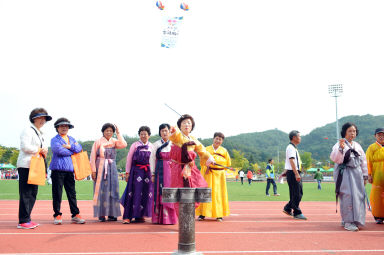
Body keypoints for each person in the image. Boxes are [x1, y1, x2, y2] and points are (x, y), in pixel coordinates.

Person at [16, 108, 52, 229]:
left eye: (44, 119)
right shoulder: (28, 130)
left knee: (33, 193)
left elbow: (42, 148)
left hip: (36, 165)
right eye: (40, 117)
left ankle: (27, 218)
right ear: (33, 118)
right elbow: (24, 146)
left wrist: (44, 151)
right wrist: (39, 149)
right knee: (26, 192)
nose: (43, 120)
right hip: (26, 165)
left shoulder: (40, 133)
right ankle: (23, 220)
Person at [330, 122, 368, 231]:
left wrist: (365, 176)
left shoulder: (358, 146)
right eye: (350, 131)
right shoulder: (339, 144)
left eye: (354, 131)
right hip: (344, 173)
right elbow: (335, 158)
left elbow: (363, 162)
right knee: (347, 195)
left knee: (358, 196)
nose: (352, 133)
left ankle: (356, 220)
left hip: (357, 174)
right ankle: (348, 221)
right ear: (344, 133)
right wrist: (341, 149)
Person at [49, 118, 85, 225]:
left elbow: (79, 148)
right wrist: (73, 151)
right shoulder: (54, 139)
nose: (64, 127)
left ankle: (75, 214)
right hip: (57, 170)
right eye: (61, 126)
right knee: (57, 193)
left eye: (66, 126)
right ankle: (57, 214)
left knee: (72, 193)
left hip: (70, 170)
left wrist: (70, 147)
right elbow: (58, 150)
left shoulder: (72, 139)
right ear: (57, 128)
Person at [90, 123, 127, 222]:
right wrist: (93, 171)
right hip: (100, 167)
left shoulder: (114, 141)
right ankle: (101, 214)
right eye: (107, 130)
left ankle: (112, 214)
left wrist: (118, 133)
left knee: (113, 190)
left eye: (111, 131)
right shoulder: (97, 142)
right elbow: (92, 156)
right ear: (103, 131)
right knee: (101, 190)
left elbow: (124, 144)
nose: (109, 132)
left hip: (112, 167)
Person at [169, 114, 214, 189]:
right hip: (178, 169)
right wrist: (173, 130)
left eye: (189, 123)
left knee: (196, 186)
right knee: (179, 188)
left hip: (191, 168)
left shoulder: (193, 139)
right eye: (184, 123)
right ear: (180, 126)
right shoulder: (179, 136)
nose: (186, 125)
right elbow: (174, 135)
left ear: (191, 127)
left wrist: (210, 157)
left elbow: (202, 150)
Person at [121, 126, 154, 224]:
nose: (143, 136)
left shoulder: (152, 146)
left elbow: (154, 161)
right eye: (141, 134)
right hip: (136, 172)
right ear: (139, 135)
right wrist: (127, 172)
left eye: (145, 134)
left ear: (149, 135)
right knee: (133, 193)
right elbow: (129, 159)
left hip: (148, 173)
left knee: (146, 193)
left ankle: (140, 215)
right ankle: (128, 216)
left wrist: (153, 174)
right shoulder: (134, 145)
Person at [196, 132, 231, 222]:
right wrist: (208, 162)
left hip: (219, 176)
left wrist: (218, 161)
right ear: (213, 139)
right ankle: (202, 213)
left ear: (222, 141)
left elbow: (227, 163)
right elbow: (202, 161)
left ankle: (219, 214)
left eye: (220, 139)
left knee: (218, 194)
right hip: (207, 174)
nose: (218, 141)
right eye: (216, 138)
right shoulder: (206, 149)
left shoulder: (224, 151)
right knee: (205, 192)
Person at [150, 123, 177, 225]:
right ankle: (158, 218)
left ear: (170, 132)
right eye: (162, 131)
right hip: (159, 170)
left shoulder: (174, 144)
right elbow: (152, 159)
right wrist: (152, 173)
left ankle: (170, 218)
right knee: (159, 192)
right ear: (160, 132)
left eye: (166, 130)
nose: (164, 133)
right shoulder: (155, 145)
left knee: (171, 192)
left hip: (171, 171)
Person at [282, 130, 307, 220]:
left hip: (292, 172)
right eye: (299, 136)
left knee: (296, 193)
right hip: (293, 173)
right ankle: (296, 212)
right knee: (297, 193)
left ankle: (288, 208)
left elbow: (290, 161)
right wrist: (296, 174)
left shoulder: (293, 147)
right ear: (294, 137)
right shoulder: (291, 148)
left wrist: (285, 171)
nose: (300, 138)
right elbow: (291, 160)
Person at [365, 128, 384, 224]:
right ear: (375, 136)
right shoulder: (371, 147)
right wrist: (369, 174)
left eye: (383, 135)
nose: (381, 136)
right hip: (377, 175)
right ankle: (378, 216)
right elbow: (368, 162)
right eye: (379, 135)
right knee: (377, 196)